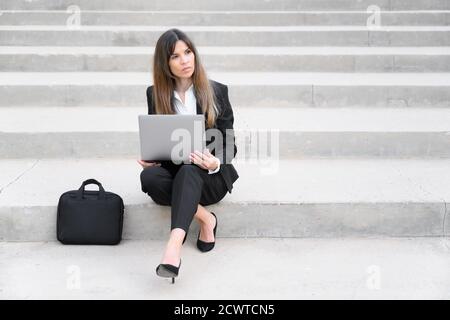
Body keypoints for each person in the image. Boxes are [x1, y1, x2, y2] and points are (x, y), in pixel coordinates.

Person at [138, 28, 239, 283]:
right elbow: (162, 137)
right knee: (149, 177)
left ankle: (173, 247)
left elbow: (229, 144)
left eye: (188, 52)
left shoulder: (217, 91)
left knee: (190, 169)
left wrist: (216, 162)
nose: (185, 60)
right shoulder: (155, 94)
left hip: (209, 178)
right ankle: (206, 219)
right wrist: (154, 158)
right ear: (165, 63)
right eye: (175, 56)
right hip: (178, 175)